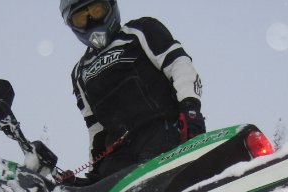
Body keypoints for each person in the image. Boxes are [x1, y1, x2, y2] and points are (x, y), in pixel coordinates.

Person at [59, 0, 206, 182]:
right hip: (118, 155)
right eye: (81, 18)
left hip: (164, 131)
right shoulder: (79, 72)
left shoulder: (140, 30)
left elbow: (178, 64)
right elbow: (95, 128)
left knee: (155, 177)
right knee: (105, 188)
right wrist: (95, 175)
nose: (91, 21)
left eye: (96, 10)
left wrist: (190, 108)